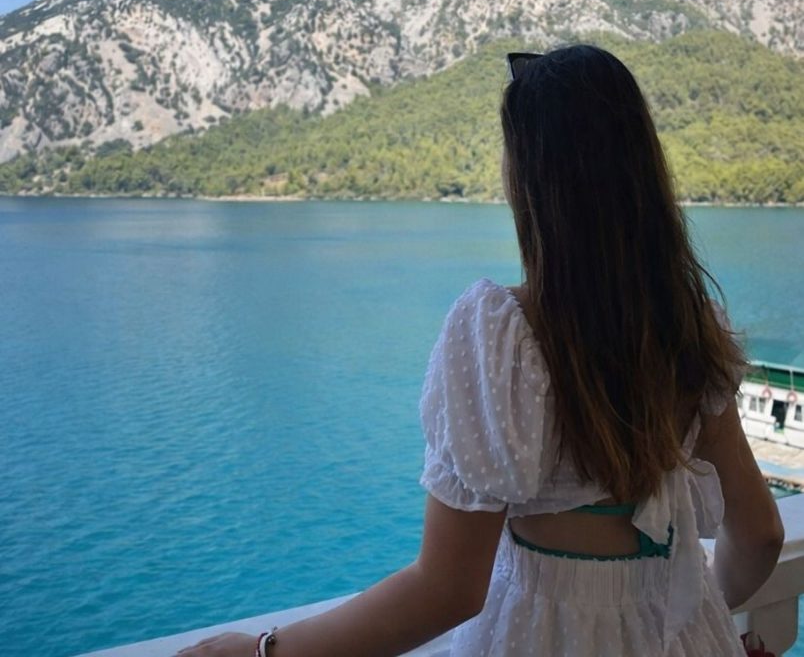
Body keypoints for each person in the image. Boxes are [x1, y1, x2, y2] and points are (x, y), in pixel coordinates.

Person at [178, 44, 784, 657]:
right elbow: (760, 535)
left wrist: (264, 651)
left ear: (533, 181)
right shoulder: (692, 329)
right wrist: (689, 614)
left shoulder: (504, 335)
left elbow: (448, 589)